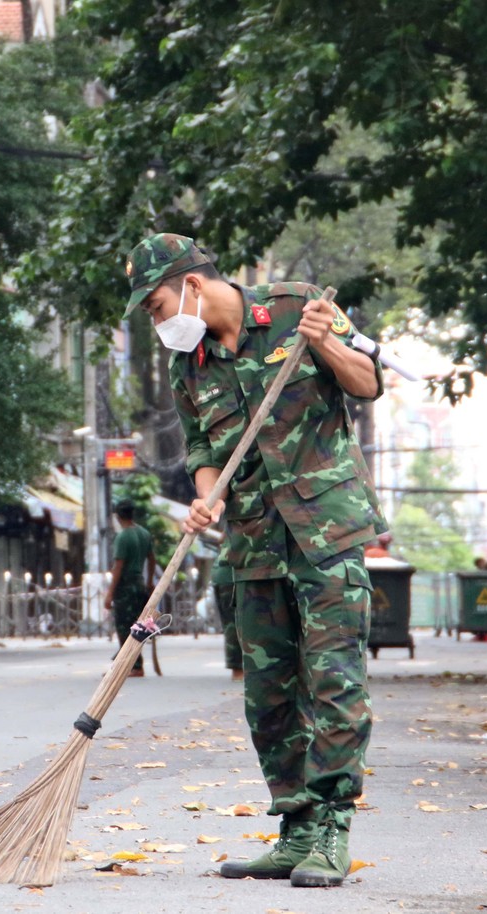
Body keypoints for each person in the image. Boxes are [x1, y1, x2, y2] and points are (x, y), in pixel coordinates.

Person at [124, 233, 387, 888]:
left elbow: (369, 381)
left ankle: (330, 828)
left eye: (156, 306)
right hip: (253, 542)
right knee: (268, 694)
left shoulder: (300, 309)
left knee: (332, 681)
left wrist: (326, 343)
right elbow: (201, 453)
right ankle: (295, 828)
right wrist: (204, 498)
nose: (158, 322)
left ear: (190, 283)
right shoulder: (192, 369)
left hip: (327, 534)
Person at [103, 500, 156, 677]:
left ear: (118, 516)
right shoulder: (144, 533)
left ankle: (133, 666)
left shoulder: (123, 537)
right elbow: (152, 559)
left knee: (125, 627)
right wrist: (149, 582)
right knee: (137, 625)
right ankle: (132, 664)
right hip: (139, 583)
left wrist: (109, 593)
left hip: (125, 586)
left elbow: (118, 566)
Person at [210, 549, 243, 680]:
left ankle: (238, 668)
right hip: (231, 575)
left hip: (225, 573)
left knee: (232, 623)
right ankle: (238, 669)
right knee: (233, 624)